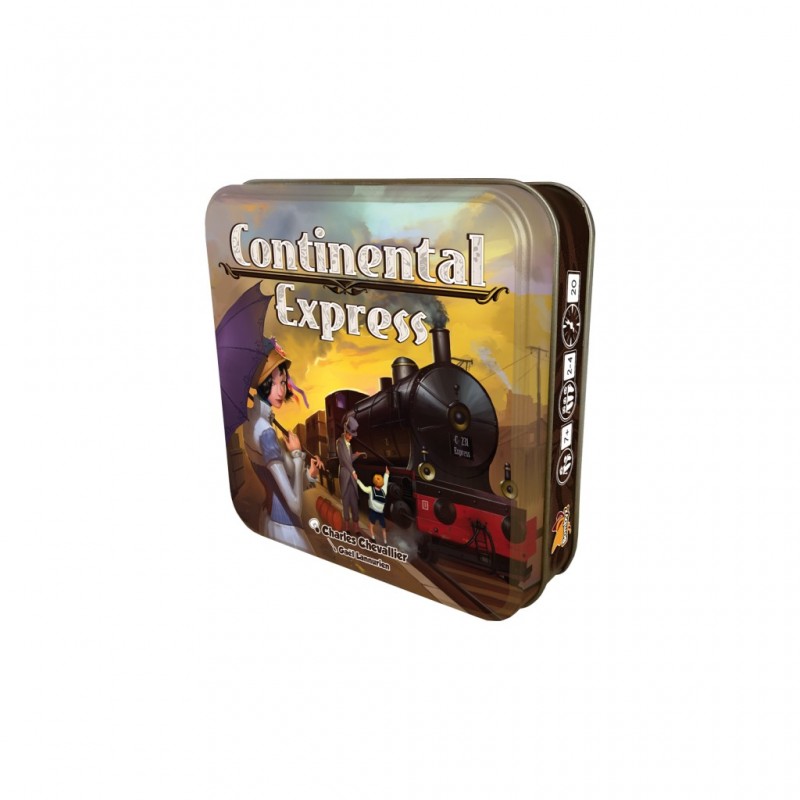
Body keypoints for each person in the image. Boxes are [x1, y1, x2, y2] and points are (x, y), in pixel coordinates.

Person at [242, 339, 322, 552]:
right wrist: (297, 455)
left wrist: (310, 475)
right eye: (274, 382)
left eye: (284, 382)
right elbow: (295, 506)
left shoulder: (254, 420)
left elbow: (286, 481)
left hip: (270, 520)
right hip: (285, 529)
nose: (281, 390)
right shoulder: (266, 433)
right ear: (262, 383)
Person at [336, 413, 365, 535]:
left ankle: (356, 526)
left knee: (354, 501)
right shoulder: (340, 442)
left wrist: (356, 455)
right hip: (345, 475)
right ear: (345, 431)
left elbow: (349, 459)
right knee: (346, 501)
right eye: (349, 434)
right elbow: (343, 460)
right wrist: (353, 471)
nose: (350, 437)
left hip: (351, 478)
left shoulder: (349, 444)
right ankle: (347, 526)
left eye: (352, 435)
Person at [356, 468, 391, 544]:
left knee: (371, 526)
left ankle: (373, 538)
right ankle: (385, 542)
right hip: (381, 513)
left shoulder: (370, 489)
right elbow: (385, 483)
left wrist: (357, 480)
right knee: (383, 528)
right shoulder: (384, 491)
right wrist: (387, 474)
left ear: (374, 481)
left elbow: (363, 488)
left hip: (373, 512)